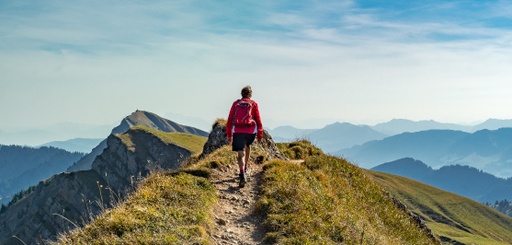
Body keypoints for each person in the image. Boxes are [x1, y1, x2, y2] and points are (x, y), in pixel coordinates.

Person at [226, 85, 263, 188]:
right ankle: (246, 167)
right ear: (250, 94)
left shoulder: (236, 103)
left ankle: (242, 173)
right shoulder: (253, 104)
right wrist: (260, 134)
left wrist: (229, 135)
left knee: (240, 154)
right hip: (251, 131)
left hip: (238, 130)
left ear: (241, 94)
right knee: (248, 146)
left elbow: (229, 120)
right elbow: (258, 120)